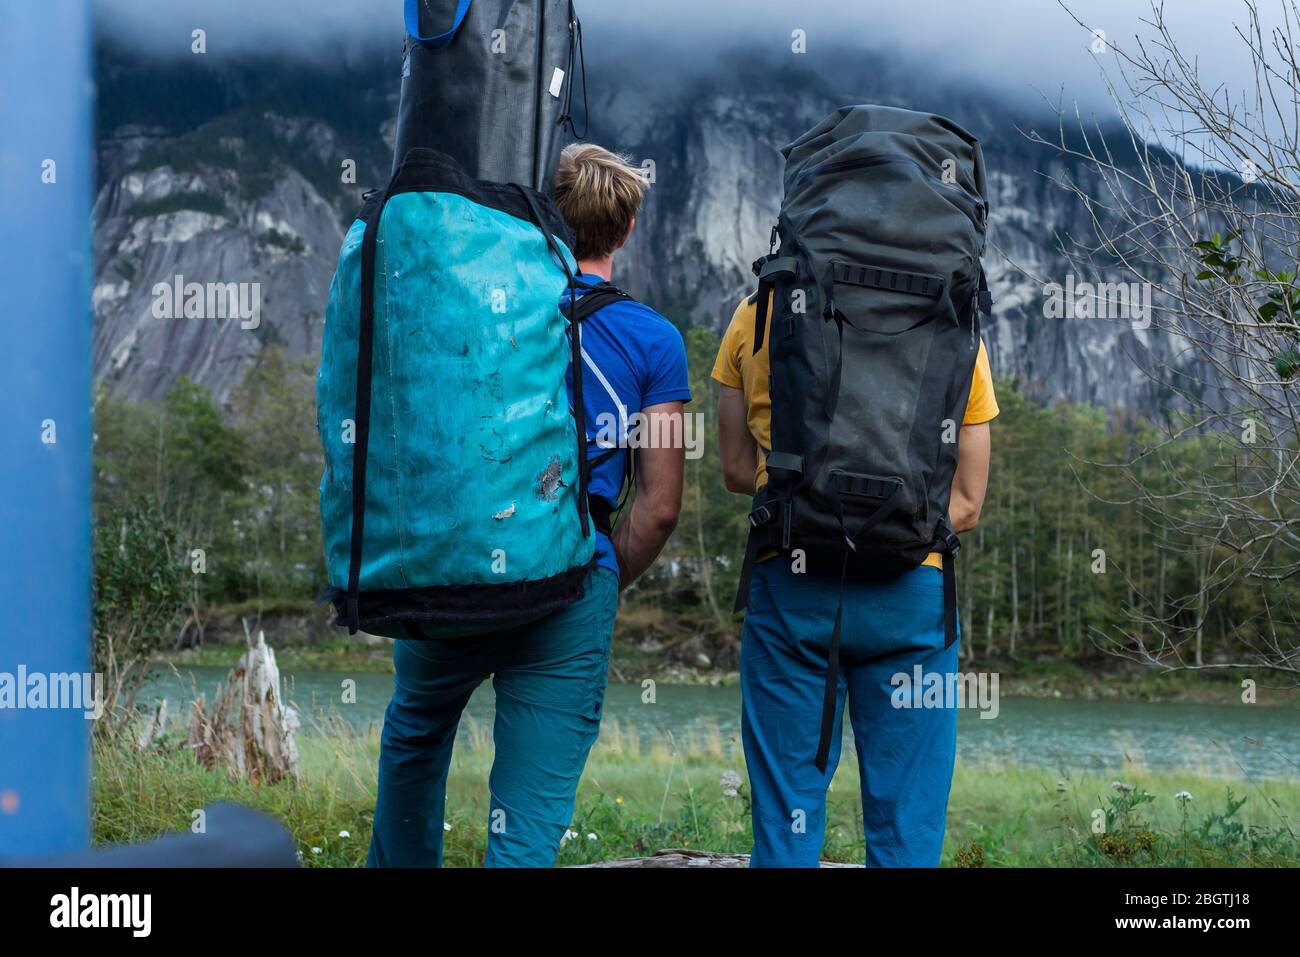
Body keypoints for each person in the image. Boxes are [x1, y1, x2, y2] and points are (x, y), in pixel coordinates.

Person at [367, 143, 690, 868]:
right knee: (528, 827)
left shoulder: (488, 307)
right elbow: (661, 505)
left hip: (452, 565)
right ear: (629, 226)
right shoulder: (656, 342)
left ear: (540, 210)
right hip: (572, 583)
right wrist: (598, 576)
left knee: (416, 739)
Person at [712, 290, 997, 867]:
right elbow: (966, 502)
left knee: (786, 815)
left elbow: (739, 471)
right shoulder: (951, 314)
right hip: (912, 592)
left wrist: (815, 504)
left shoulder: (760, 310)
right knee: (906, 827)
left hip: (794, 583)